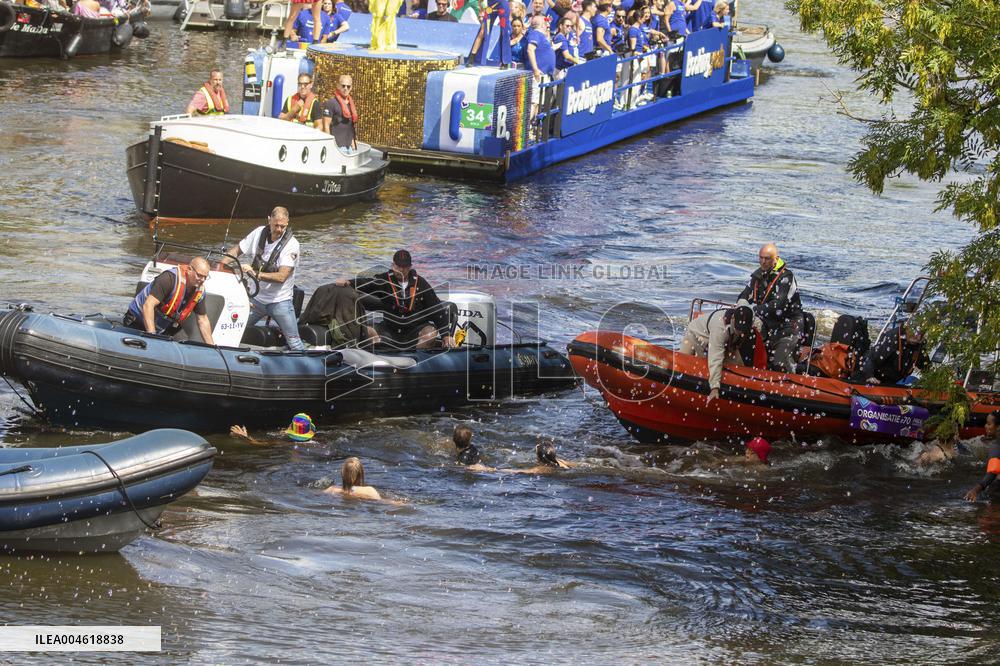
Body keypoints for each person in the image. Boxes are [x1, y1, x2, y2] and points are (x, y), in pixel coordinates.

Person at [335, 250, 456, 350]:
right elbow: (366, 283)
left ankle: (416, 363)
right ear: (393, 265)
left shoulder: (421, 283)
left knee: (430, 333)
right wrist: (349, 282)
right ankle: (374, 361)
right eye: (398, 266)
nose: (401, 270)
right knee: (367, 331)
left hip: (415, 329)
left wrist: (446, 335)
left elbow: (436, 309)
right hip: (389, 329)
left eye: (404, 267)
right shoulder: (384, 280)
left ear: (410, 267)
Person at [224, 207, 304, 351]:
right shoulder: (258, 232)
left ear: (287, 223)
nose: (279, 229)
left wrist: (255, 274)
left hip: (279, 301)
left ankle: (304, 363)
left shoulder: (292, 245)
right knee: (231, 328)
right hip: (256, 301)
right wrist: (219, 265)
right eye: (276, 225)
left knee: (294, 342)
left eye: (283, 226)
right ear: (269, 220)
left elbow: (281, 277)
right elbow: (237, 250)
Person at [737, 243, 804, 373]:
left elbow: (777, 305)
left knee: (779, 364)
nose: (763, 262)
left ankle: (796, 373)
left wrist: (753, 310)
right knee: (746, 353)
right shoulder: (756, 277)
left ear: (776, 259)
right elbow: (743, 296)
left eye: (767, 258)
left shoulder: (787, 278)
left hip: (789, 325)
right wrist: (741, 307)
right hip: (767, 324)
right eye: (761, 258)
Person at [124, 257, 216, 344]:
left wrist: (212, 347)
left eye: (205, 277)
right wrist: (152, 336)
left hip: (165, 326)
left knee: (184, 345)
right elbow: (148, 306)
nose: (202, 280)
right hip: (138, 320)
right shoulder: (168, 279)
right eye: (199, 275)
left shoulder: (199, 291)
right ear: (189, 269)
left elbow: (202, 319)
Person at [679, 305, 753, 405]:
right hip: (697, 336)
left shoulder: (749, 320)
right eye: (738, 328)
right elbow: (715, 357)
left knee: (740, 367)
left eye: (743, 330)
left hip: (728, 345)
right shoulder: (719, 328)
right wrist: (715, 388)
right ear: (732, 319)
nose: (740, 332)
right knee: (682, 364)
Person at [853, 322, 927, 385]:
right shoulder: (893, 338)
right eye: (915, 332)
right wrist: (870, 376)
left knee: (912, 380)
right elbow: (870, 359)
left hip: (894, 384)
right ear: (907, 328)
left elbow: (926, 366)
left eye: (921, 333)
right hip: (873, 380)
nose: (918, 336)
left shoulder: (919, 345)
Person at [525, 15, 556, 117]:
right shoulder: (535, 34)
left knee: (538, 103)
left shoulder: (541, 35)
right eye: (546, 22)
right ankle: (526, 128)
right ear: (542, 24)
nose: (547, 24)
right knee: (533, 102)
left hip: (544, 74)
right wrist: (535, 69)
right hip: (537, 74)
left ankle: (532, 126)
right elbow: (530, 49)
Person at [965, 411, 1000, 502]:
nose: (985, 426)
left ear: (998, 427)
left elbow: (993, 472)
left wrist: (976, 490)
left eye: (989, 424)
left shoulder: (996, 446)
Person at [322, 74, 359, 151]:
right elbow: (326, 125)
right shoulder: (331, 103)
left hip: (349, 148)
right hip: (337, 147)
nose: (345, 88)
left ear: (351, 88)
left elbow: (350, 126)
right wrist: (329, 146)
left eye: (348, 86)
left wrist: (353, 143)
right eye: (343, 86)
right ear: (338, 86)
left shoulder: (351, 105)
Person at [503, 441, 576, 473]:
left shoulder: (542, 469)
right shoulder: (559, 461)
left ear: (538, 457)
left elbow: (519, 471)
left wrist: (495, 470)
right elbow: (580, 464)